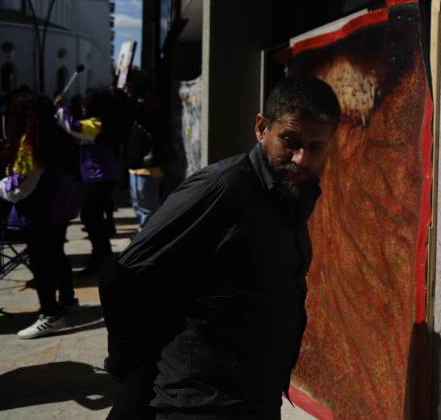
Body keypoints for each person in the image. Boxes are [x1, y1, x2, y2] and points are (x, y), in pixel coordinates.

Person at [99, 76, 341, 419]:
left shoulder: (289, 194)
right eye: (290, 140)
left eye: (316, 147)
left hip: (254, 396)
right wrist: (130, 364)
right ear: (262, 128)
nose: (301, 159)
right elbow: (122, 275)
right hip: (201, 403)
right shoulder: (222, 189)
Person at [0, 91, 78, 339]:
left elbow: (19, 188)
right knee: (55, 255)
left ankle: (50, 314)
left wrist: (2, 185)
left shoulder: (30, 143)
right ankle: (67, 300)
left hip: (40, 210)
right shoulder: (55, 136)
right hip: (58, 206)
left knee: (41, 263)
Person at [55, 88, 121, 275]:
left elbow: (73, 127)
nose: (83, 107)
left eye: (86, 104)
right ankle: (102, 256)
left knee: (91, 217)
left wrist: (61, 109)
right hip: (96, 177)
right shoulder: (95, 122)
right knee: (92, 218)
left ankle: (102, 258)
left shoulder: (96, 124)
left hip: (100, 177)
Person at [126, 95, 163, 234]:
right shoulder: (137, 123)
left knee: (148, 211)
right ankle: (145, 236)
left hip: (147, 171)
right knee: (140, 209)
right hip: (137, 170)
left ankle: (148, 238)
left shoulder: (151, 121)